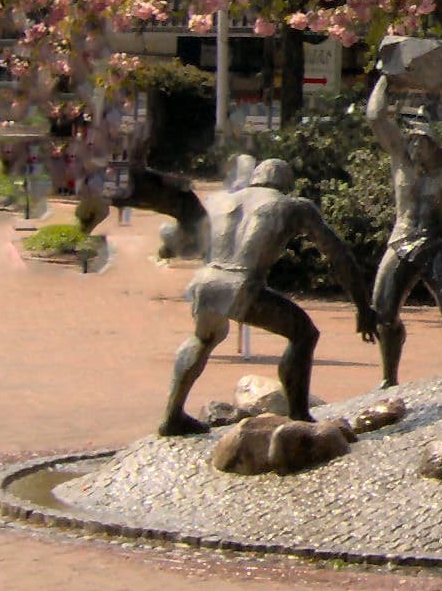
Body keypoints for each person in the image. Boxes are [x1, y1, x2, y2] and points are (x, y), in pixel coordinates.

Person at [160, 159, 375, 436]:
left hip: (205, 282)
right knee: (304, 333)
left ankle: (171, 415)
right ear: (285, 185)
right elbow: (339, 256)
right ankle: (298, 413)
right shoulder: (293, 206)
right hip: (241, 285)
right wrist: (362, 306)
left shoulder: (218, 201)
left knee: (202, 339)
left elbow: (191, 241)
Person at [366, 70, 442, 386]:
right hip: (399, 243)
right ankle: (389, 378)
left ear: (434, 146)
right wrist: (386, 78)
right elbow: (375, 117)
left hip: (434, 245)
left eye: (420, 141)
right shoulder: (402, 163)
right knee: (382, 313)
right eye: (410, 140)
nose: (413, 146)